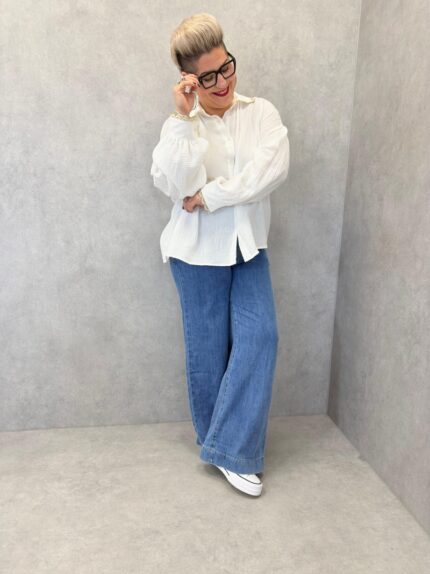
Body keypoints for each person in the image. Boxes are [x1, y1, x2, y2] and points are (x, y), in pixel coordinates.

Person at [150, 13, 290, 497]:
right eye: (208, 77)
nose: (223, 82)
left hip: (249, 248)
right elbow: (176, 185)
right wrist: (184, 118)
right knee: (208, 354)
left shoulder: (261, 113)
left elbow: (269, 173)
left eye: (226, 67)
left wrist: (211, 196)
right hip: (195, 253)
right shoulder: (182, 126)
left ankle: (227, 448)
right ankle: (225, 449)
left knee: (261, 335)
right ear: (189, 79)